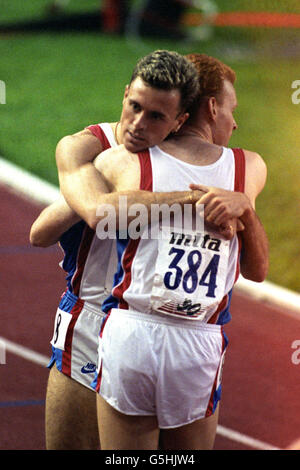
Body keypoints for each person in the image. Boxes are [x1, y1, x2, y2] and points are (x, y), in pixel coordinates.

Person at [31, 53, 268, 450]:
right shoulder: (98, 152)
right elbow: (72, 221)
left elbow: (256, 266)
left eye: (157, 116)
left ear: (179, 118)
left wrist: (237, 206)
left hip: (180, 330)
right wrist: (186, 199)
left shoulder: (224, 170)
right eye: (134, 107)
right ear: (125, 96)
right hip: (93, 318)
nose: (140, 124)